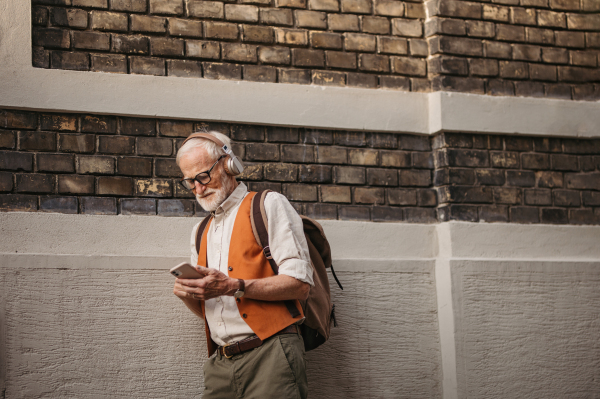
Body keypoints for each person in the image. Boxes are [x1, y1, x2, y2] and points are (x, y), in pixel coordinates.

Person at [172, 131, 313, 399]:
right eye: (189, 182)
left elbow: (300, 285)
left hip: (272, 354)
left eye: (203, 176)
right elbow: (207, 308)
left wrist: (232, 286)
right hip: (220, 364)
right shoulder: (200, 230)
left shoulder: (268, 204)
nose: (199, 189)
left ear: (228, 164)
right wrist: (189, 294)